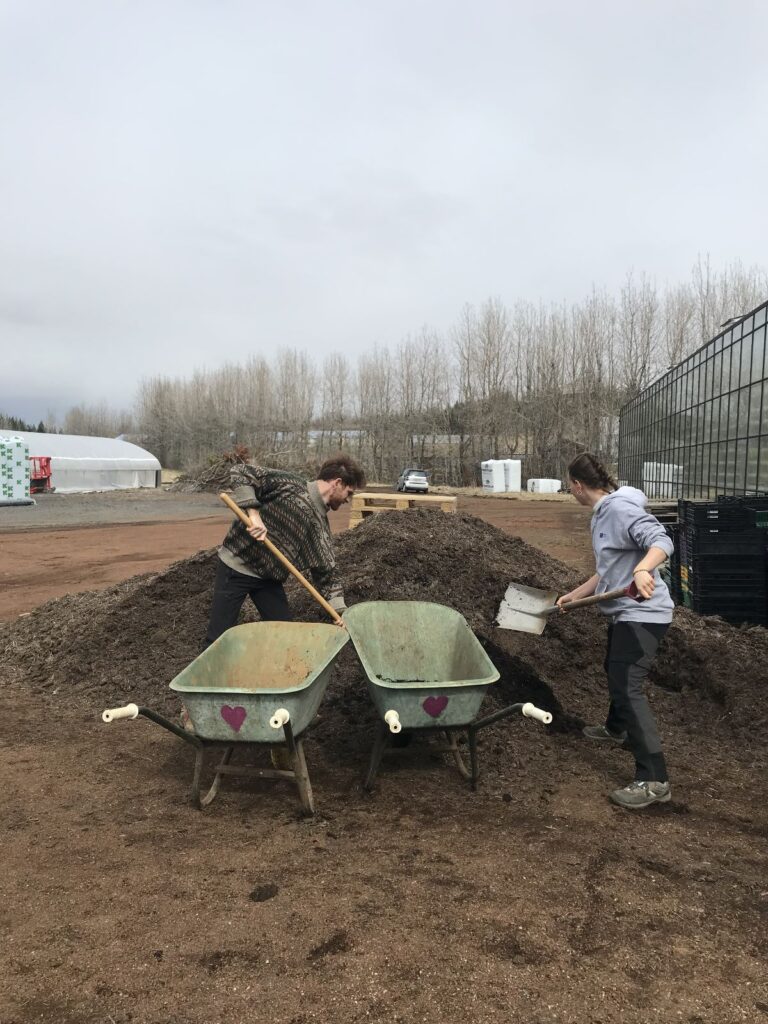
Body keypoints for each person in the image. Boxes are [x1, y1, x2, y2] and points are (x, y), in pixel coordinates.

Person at [557, 452, 675, 810]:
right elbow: (608, 569)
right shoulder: (602, 514)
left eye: (570, 486)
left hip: (644, 613)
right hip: (625, 613)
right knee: (615, 669)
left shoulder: (620, 509)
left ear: (578, 485)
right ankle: (616, 729)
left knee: (627, 686)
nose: (570, 492)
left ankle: (654, 780)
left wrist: (642, 570)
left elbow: (662, 541)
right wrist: (575, 594)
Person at [205, 453, 366, 645]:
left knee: (286, 638)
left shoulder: (319, 527)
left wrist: (340, 612)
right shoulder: (289, 484)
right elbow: (241, 472)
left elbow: (327, 573)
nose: (348, 499)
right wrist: (254, 515)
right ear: (337, 483)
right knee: (218, 638)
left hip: (268, 580)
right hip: (236, 567)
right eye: (349, 493)